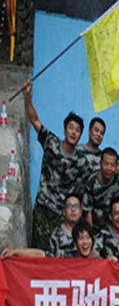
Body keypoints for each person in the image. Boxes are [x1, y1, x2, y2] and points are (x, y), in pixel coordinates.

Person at [22, 79, 89, 250]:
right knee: (40, 252)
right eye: (71, 128)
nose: (73, 132)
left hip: (64, 215)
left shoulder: (82, 161)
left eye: (77, 130)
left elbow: (84, 189)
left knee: (62, 256)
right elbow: (35, 120)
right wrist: (27, 97)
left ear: (80, 135)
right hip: (44, 209)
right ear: (64, 130)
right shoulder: (51, 142)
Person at [82, 147, 119, 229]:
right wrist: (91, 233)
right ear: (100, 164)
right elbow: (88, 212)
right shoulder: (91, 182)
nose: (109, 168)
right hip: (98, 227)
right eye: (106, 164)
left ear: (117, 166)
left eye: (112, 165)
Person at [2, 220, 98, 259]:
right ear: (75, 244)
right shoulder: (66, 256)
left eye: (88, 237)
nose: (85, 242)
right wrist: (14, 252)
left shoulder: (99, 261)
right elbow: (41, 254)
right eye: (81, 238)